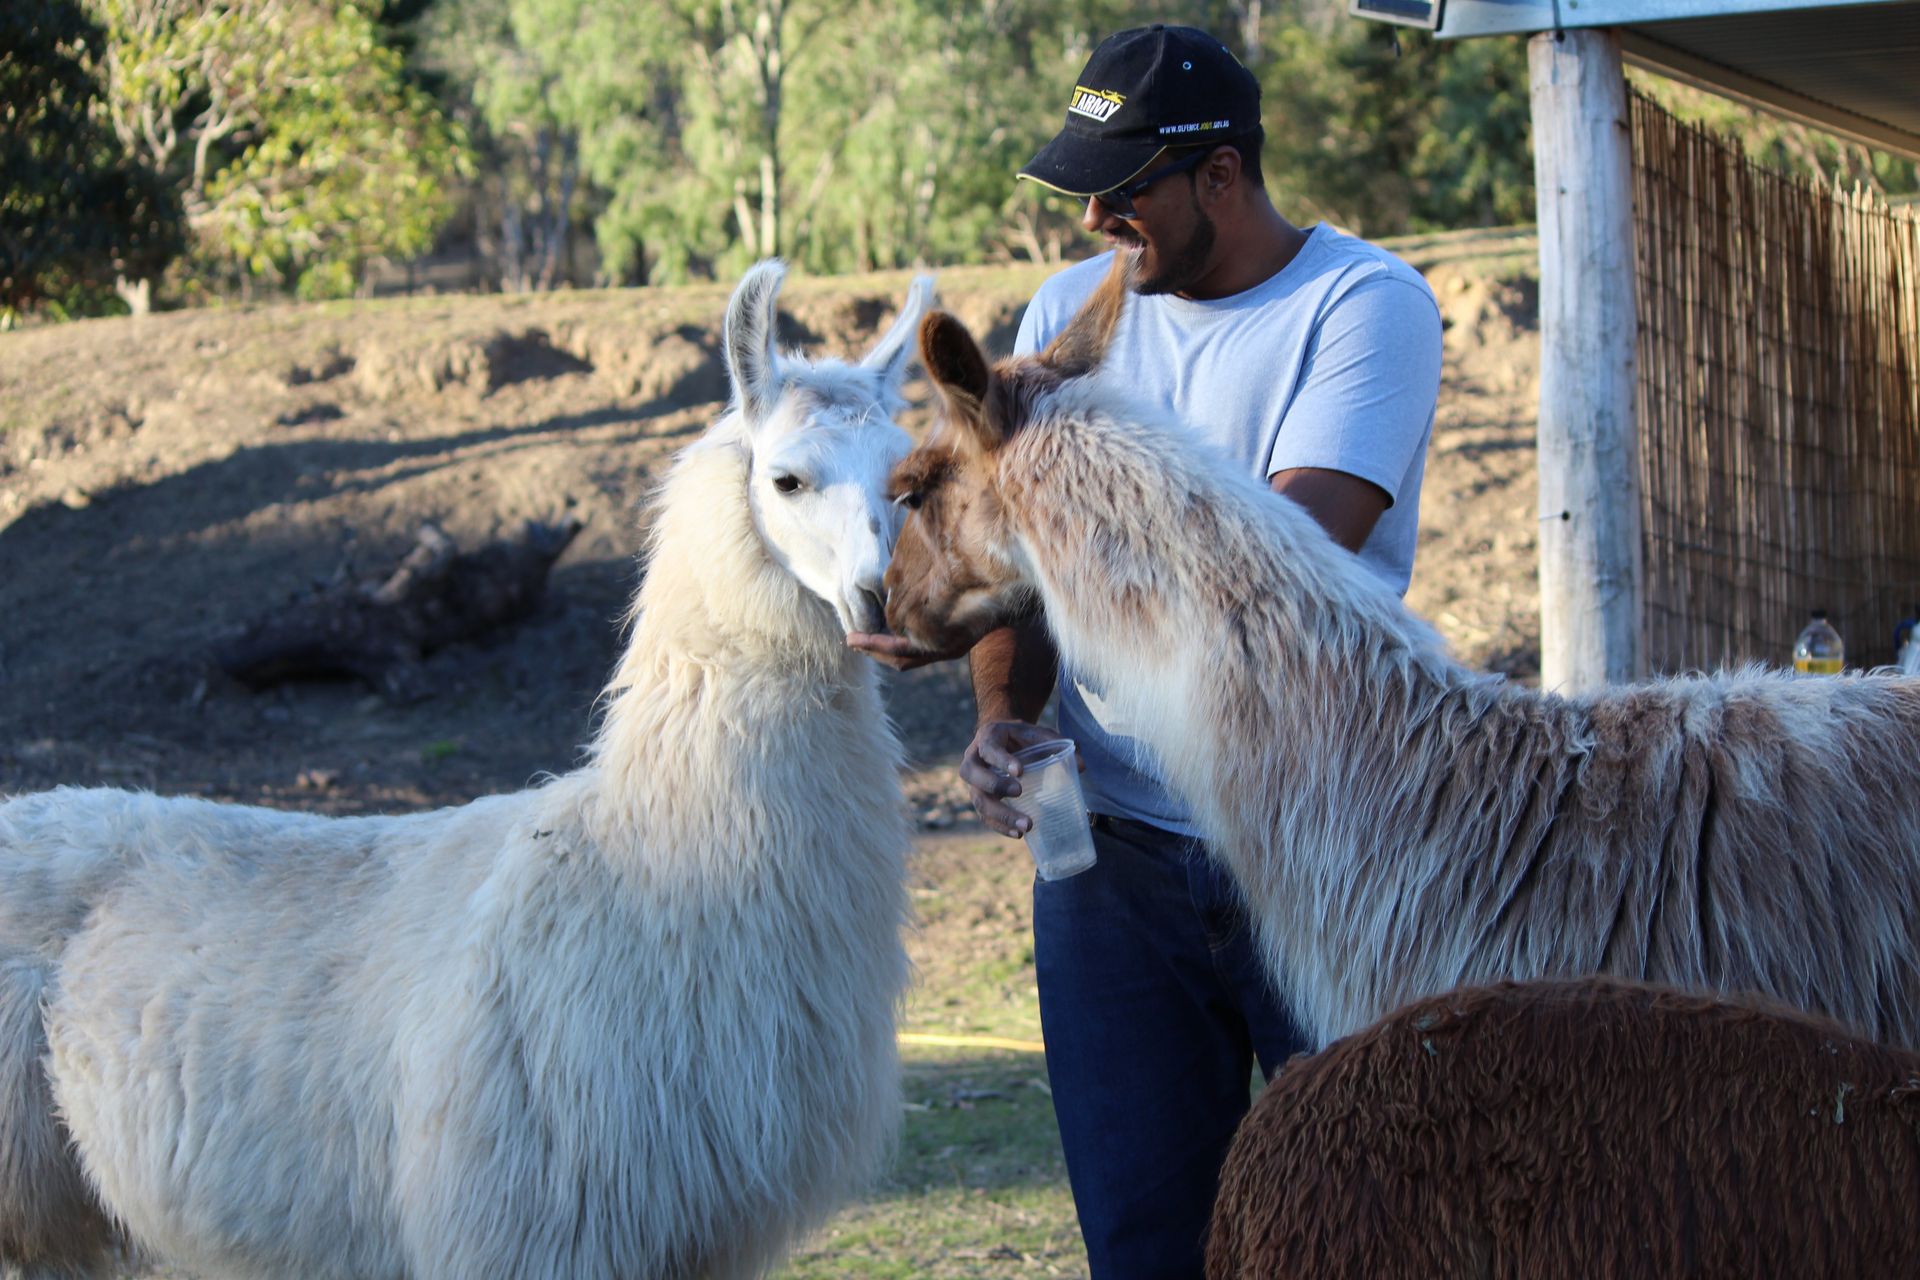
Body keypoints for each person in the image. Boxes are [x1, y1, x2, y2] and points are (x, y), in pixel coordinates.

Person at [852, 23, 1443, 1279]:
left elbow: (1287, 568)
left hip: (1313, 842)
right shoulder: (1072, 312)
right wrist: (998, 704)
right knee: (1143, 1238)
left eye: (1119, 196)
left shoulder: (1363, 307)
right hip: (1112, 859)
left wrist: (1011, 545)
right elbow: (1021, 572)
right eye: (1082, 196)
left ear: (1219, 177)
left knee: (1370, 1225)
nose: (1093, 224)